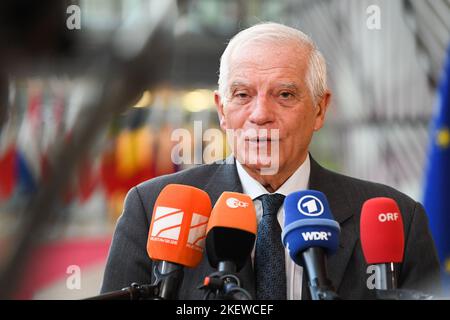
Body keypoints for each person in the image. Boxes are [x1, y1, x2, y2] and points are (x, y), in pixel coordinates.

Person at [100, 22, 441, 299]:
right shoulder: (151, 208)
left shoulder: (398, 218)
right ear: (222, 110)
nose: (260, 114)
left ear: (320, 109)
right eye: (243, 95)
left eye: (285, 95)